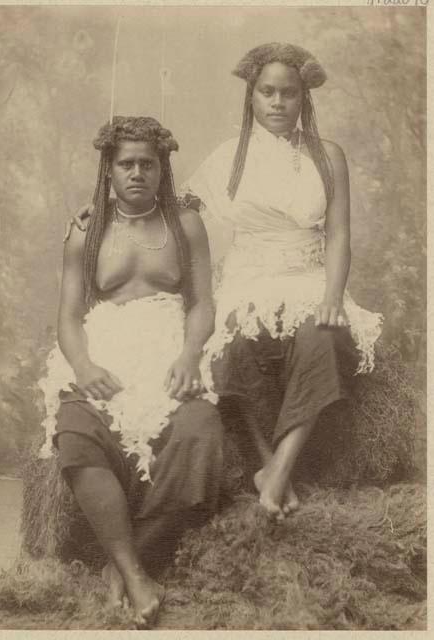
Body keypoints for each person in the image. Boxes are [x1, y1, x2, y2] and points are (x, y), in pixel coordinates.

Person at [66, 43, 382, 522]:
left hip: (307, 274)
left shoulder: (328, 156)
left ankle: (279, 470)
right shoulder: (227, 157)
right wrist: (106, 205)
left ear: (304, 100)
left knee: (323, 338)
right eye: (267, 92)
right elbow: (170, 200)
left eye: (289, 94)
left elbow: (339, 234)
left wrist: (333, 296)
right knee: (226, 351)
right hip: (248, 277)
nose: (277, 103)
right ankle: (261, 461)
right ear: (251, 97)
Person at [39, 116, 223, 627]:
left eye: (148, 163)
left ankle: (124, 564)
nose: (137, 172)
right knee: (76, 432)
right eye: (127, 164)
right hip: (104, 349)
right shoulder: (86, 230)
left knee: (200, 433)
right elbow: (69, 317)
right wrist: (84, 364)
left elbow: (203, 302)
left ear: (163, 170)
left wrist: (190, 354)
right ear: (109, 170)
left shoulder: (186, 224)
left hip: (169, 347)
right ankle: (138, 574)